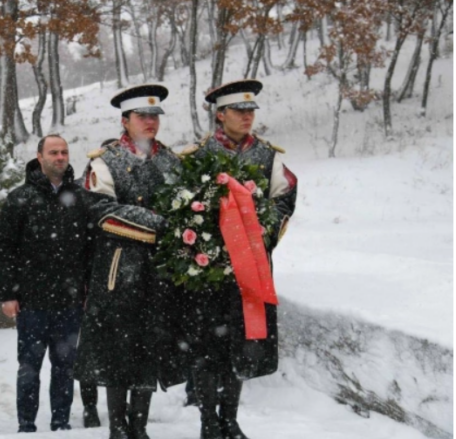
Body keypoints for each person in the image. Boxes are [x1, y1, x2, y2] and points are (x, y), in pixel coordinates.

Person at [181, 79, 297, 439]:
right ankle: (207, 421)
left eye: (251, 111)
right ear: (221, 115)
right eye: (240, 111)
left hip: (251, 270)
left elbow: (286, 198)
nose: (248, 117)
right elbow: (183, 208)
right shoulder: (196, 156)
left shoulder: (267, 155)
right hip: (208, 270)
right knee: (206, 347)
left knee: (242, 344)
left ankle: (229, 418)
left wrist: (260, 233)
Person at [74, 84, 186, 439]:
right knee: (117, 349)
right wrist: (161, 224)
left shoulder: (171, 160)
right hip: (119, 269)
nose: (150, 122)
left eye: (155, 116)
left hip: (161, 270)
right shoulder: (104, 161)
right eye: (142, 116)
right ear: (125, 120)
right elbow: (101, 212)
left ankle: (140, 425)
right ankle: (118, 427)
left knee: (150, 345)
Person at [0, 134, 99, 433]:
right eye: (53, 152)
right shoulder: (20, 198)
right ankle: (26, 425)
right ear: (39, 157)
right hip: (32, 302)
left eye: (64, 152)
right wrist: (8, 294)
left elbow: (91, 249)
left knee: (65, 368)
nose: (60, 157)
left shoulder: (79, 198)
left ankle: (60, 423)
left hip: (70, 301)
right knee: (29, 368)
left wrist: (88, 289)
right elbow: (3, 249)